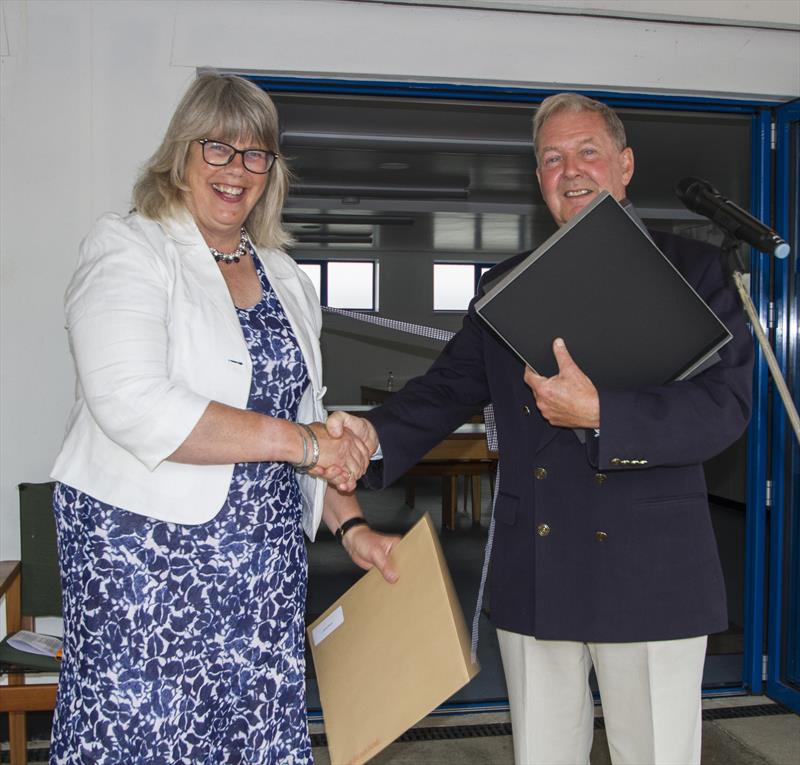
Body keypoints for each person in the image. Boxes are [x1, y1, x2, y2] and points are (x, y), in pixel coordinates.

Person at [327, 93, 753, 765]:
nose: (571, 169)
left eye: (588, 151)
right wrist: (368, 436)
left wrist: (603, 415)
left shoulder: (697, 273)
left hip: (651, 572)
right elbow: (443, 389)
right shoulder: (505, 287)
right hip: (538, 568)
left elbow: (725, 406)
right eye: (552, 158)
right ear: (538, 179)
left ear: (625, 164)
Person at [50, 73, 397, 764]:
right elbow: (132, 400)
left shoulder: (285, 275)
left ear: (272, 171)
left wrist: (350, 524)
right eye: (218, 148)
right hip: (146, 567)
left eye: (256, 154)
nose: (237, 170)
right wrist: (302, 443)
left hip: (263, 574)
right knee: (143, 741)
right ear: (181, 153)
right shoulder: (131, 247)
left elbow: (302, 416)